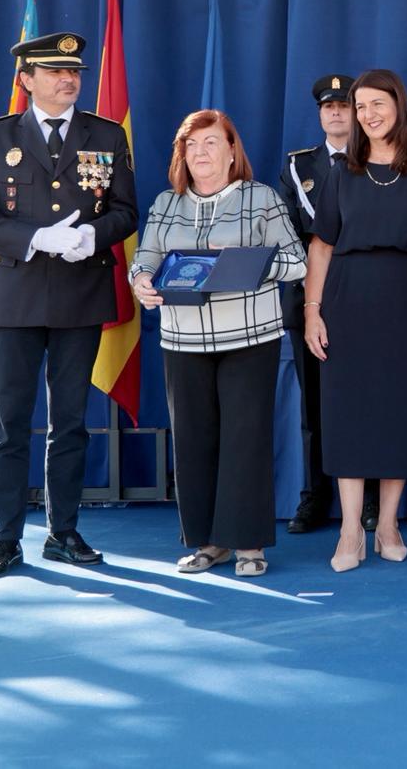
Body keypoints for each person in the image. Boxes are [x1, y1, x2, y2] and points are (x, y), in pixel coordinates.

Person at [0, 31, 138, 579]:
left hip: (81, 293)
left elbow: (125, 211)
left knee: (70, 423)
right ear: (26, 79)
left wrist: (91, 235)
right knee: (10, 425)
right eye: (56, 72)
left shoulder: (105, 134)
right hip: (15, 298)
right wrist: (36, 238)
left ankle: (63, 532)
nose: (69, 79)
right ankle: (5, 538)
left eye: (75, 72)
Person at [131, 111, 306, 578]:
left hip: (249, 338)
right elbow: (144, 260)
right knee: (193, 442)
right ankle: (208, 543)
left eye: (211, 142)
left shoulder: (260, 198)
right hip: (182, 341)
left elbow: (297, 261)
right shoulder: (166, 203)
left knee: (244, 441)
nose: (200, 152)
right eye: (191, 145)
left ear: (232, 151)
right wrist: (141, 281)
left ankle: (248, 544)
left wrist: (244, 265)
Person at [304, 69, 407, 572]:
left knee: (400, 412)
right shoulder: (342, 172)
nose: (367, 114)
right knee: (346, 413)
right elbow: (321, 246)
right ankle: (350, 530)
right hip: (347, 300)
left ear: (399, 106)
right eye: (360, 106)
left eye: (376, 104)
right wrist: (312, 311)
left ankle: (388, 524)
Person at [278, 73, 371, 535]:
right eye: (328, 106)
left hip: (365, 298)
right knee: (313, 406)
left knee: (367, 399)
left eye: (344, 105)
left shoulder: (377, 161)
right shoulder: (299, 166)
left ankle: (372, 497)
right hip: (308, 298)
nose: (336, 112)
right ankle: (314, 496)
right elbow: (288, 232)